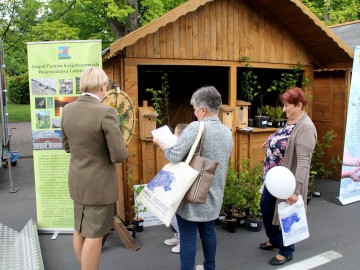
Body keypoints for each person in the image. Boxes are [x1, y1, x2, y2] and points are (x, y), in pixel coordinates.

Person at [153, 86, 233, 270]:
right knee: (208, 231)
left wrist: (161, 145)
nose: (195, 113)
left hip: (191, 191)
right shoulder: (227, 132)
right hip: (214, 190)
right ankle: (209, 267)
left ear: (203, 109)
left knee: (188, 235)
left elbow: (174, 155)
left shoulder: (197, 127)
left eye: (195, 109)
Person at [61, 67, 128, 270]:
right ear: (102, 86)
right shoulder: (105, 112)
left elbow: (66, 146)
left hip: (77, 180)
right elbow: (118, 154)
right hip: (98, 185)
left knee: (80, 228)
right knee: (95, 234)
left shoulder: (68, 109)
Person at [259, 87, 317, 266]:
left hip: (287, 182)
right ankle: (274, 239)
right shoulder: (292, 121)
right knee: (267, 207)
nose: (284, 110)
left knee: (287, 213)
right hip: (274, 177)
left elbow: (303, 162)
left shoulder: (306, 128)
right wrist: (271, 140)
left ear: (299, 105)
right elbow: (284, 136)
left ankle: (286, 250)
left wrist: (295, 190)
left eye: (287, 106)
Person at [163, 123, 188, 254]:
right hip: (176, 182)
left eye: (175, 134)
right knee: (172, 212)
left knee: (175, 212)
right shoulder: (178, 147)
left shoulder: (183, 149)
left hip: (181, 183)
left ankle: (183, 240)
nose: (173, 136)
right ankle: (179, 236)